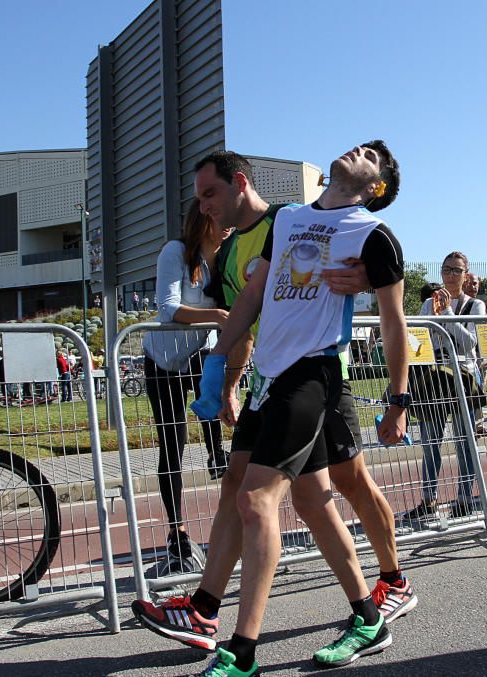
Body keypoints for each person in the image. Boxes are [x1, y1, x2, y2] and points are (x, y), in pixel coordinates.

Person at [132, 144, 414, 675]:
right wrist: (219, 363)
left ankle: (242, 653)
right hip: (269, 375)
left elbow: (394, 322)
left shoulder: (373, 235)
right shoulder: (292, 219)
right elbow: (254, 294)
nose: (359, 149)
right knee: (295, 494)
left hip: (314, 374)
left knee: (258, 499)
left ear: (376, 185)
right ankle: (367, 616)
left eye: (372, 155)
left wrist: (398, 400)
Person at [141, 198, 231, 574]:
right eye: (220, 218)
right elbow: (168, 308)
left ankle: (216, 455)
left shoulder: (226, 259)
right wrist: (218, 315)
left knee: (216, 411)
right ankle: (176, 530)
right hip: (163, 359)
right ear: (203, 220)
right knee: (173, 442)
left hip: (199, 351)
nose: (227, 225)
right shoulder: (175, 252)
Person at [405, 251, 486, 520]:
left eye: (457, 271)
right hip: (434, 376)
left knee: (464, 440)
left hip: (463, 376)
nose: (451, 275)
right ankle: (428, 499)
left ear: (466, 274)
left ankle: (464, 498)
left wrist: (448, 313)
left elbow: (469, 344)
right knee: (430, 441)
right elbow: (417, 339)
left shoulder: (475, 306)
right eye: (446, 269)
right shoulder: (429, 303)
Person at [462, 272, 487, 436]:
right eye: (470, 283)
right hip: (468, 358)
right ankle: (471, 426)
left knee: (480, 391)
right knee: (471, 391)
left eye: (476, 283)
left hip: (482, 355)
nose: (473, 286)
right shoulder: (460, 305)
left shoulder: (481, 305)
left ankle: (479, 425)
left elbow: (486, 331)